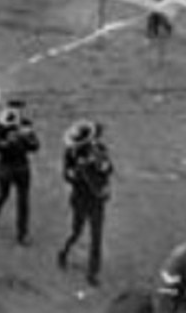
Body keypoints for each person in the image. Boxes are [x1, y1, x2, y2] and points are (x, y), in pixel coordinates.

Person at [58, 119, 114, 288]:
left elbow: (109, 169)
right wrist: (77, 171)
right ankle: (64, 252)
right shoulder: (70, 153)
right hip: (80, 198)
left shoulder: (100, 150)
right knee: (76, 232)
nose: (90, 143)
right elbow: (66, 175)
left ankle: (93, 272)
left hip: (96, 199)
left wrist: (101, 166)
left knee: (96, 237)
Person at [0, 105, 39, 245]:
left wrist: (27, 138)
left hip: (22, 167)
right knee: (3, 195)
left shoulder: (25, 126)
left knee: (23, 202)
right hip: (5, 167)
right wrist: (6, 143)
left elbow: (35, 146)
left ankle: (22, 234)